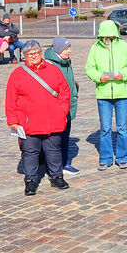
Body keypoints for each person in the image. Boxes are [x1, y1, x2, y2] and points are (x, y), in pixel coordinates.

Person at [5, 40, 72, 193]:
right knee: (30, 152)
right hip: (28, 122)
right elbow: (10, 99)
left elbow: (64, 91)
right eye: (30, 54)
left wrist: (62, 111)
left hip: (52, 119)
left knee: (54, 150)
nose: (34, 56)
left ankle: (57, 176)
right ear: (25, 56)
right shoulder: (17, 74)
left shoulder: (54, 70)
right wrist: (12, 120)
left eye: (36, 53)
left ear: (41, 53)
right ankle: (30, 180)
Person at [85, 20, 127, 170]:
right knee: (105, 128)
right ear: (101, 36)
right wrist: (99, 77)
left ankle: (122, 157)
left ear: (115, 35)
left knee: (122, 127)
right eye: (105, 37)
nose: (108, 39)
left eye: (111, 36)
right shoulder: (95, 48)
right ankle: (105, 157)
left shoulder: (124, 46)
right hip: (103, 94)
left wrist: (124, 74)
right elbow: (89, 68)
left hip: (122, 93)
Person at [43, 36, 80, 175]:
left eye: (69, 48)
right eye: (66, 48)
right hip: (56, 108)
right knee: (54, 140)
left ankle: (64, 163)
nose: (69, 51)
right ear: (58, 50)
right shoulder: (50, 64)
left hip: (68, 105)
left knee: (65, 136)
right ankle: (53, 166)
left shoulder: (67, 62)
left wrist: (74, 93)